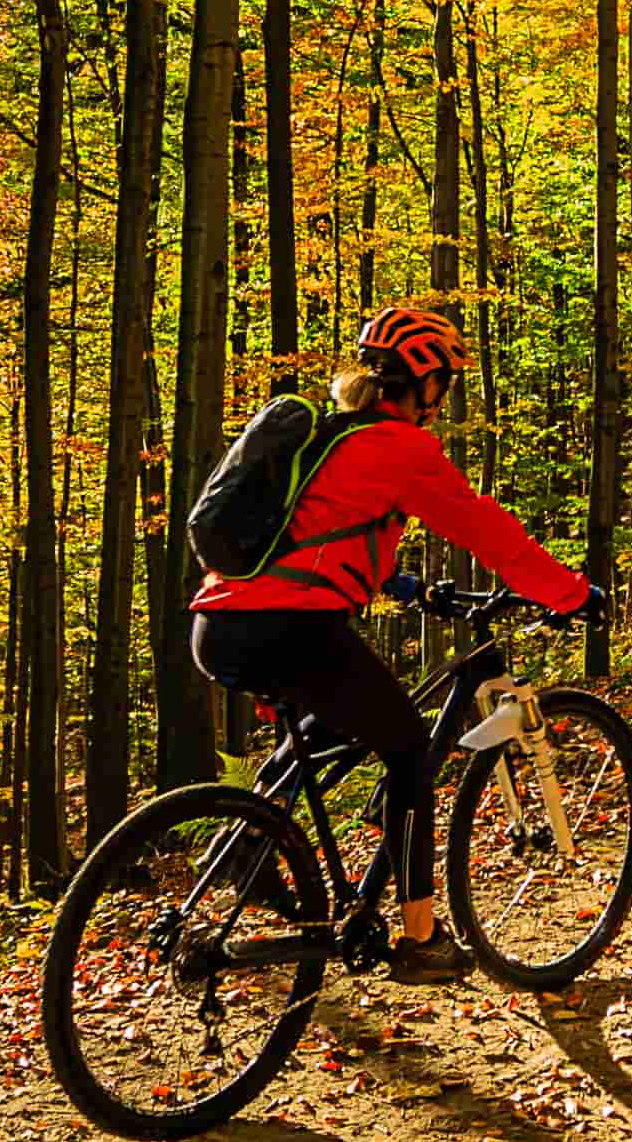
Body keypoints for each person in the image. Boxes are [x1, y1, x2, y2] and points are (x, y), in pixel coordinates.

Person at [190, 302, 600, 983]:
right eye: (444, 380)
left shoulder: (332, 437)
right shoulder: (401, 448)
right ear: (424, 380)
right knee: (409, 749)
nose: (445, 396)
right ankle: (420, 939)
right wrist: (571, 594)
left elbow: (323, 543)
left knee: (325, 731)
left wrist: (412, 590)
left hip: (220, 623)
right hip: (290, 627)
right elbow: (486, 532)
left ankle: (247, 847)